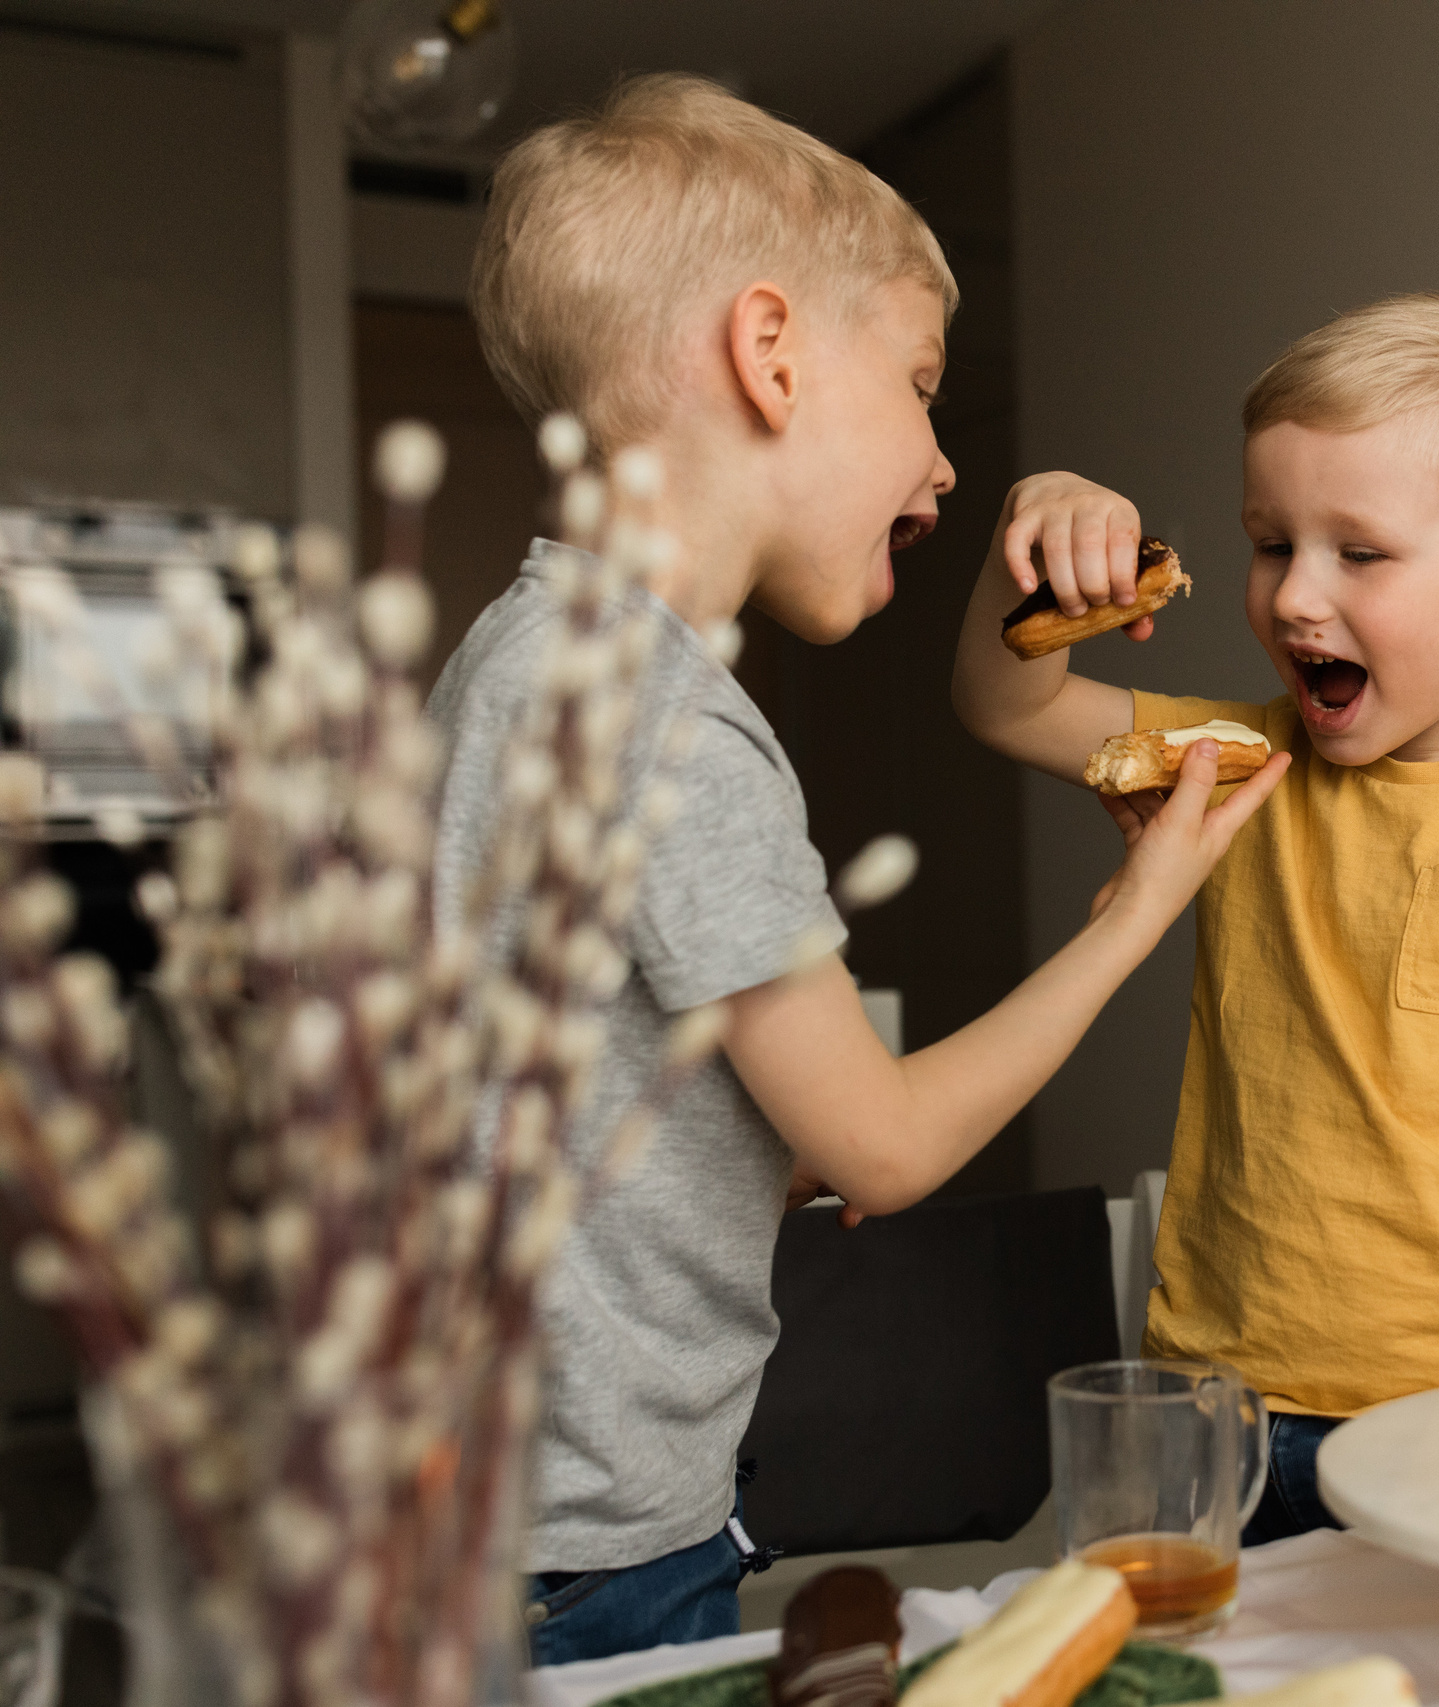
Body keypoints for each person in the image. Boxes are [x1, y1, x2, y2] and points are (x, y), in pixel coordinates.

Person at [433, 75, 1284, 1664]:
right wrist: (1137, 915)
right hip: (579, 1545)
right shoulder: (669, 718)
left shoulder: (522, 660)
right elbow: (886, 1149)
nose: (945, 461)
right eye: (918, 384)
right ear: (770, 356)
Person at [952, 294, 1439, 1543]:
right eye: (1271, 545)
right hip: (1227, 1415)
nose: (1290, 598)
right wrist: (1040, 529)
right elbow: (1008, 707)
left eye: (1358, 554)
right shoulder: (1232, 757)